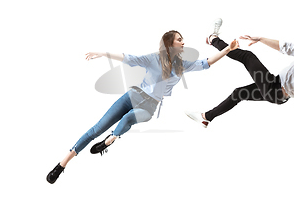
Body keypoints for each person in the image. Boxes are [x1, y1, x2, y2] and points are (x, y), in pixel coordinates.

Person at [47, 30, 239, 184]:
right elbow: (128, 58)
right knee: (96, 129)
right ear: (170, 43)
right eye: (179, 40)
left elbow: (207, 62)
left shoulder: (182, 65)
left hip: (149, 107)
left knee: (128, 118)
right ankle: (62, 165)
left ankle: (110, 140)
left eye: (183, 40)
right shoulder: (153, 59)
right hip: (131, 96)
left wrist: (227, 50)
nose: (183, 42)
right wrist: (103, 53)